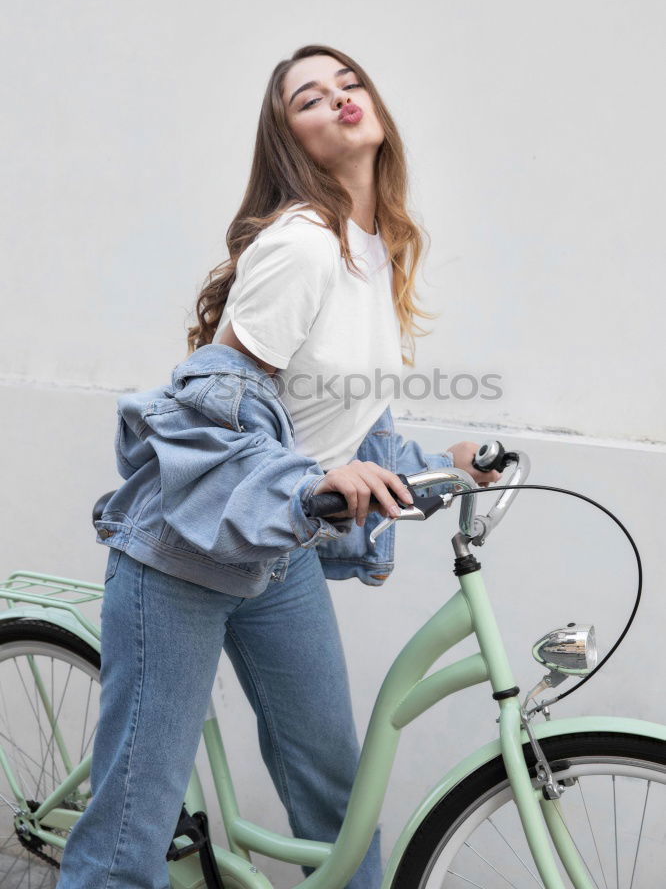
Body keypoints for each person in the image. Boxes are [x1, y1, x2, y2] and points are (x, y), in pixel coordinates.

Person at [56, 44, 499, 889]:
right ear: (288, 137)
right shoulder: (301, 244)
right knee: (128, 839)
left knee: (338, 797)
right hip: (181, 556)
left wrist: (439, 463)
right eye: (309, 98)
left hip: (274, 552)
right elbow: (211, 404)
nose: (339, 99)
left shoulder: (379, 249)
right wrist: (305, 485)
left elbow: (330, 424)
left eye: (350, 82)